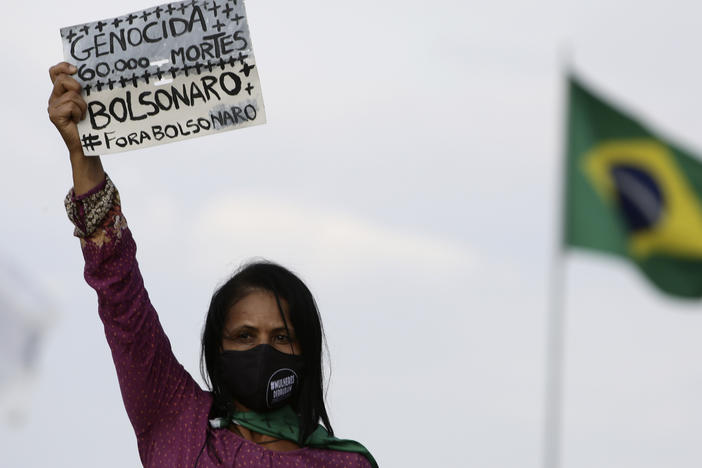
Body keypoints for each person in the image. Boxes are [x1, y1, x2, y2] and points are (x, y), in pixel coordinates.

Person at [47, 61, 377, 468]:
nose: (262, 349)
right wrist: (82, 152)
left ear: (306, 351)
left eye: (281, 337)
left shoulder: (344, 464)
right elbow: (121, 300)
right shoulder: (175, 418)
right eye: (243, 335)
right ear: (217, 347)